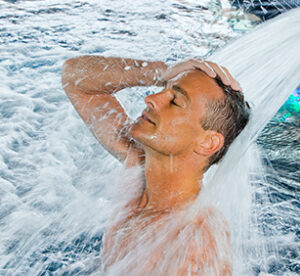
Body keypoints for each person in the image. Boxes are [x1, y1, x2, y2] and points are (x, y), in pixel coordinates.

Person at [61, 56, 250, 275]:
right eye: (164, 89)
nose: (151, 98)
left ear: (208, 142)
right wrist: (162, 72)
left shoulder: (194, 245)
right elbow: (75, 77)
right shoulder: (139, 165)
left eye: (175, 101)